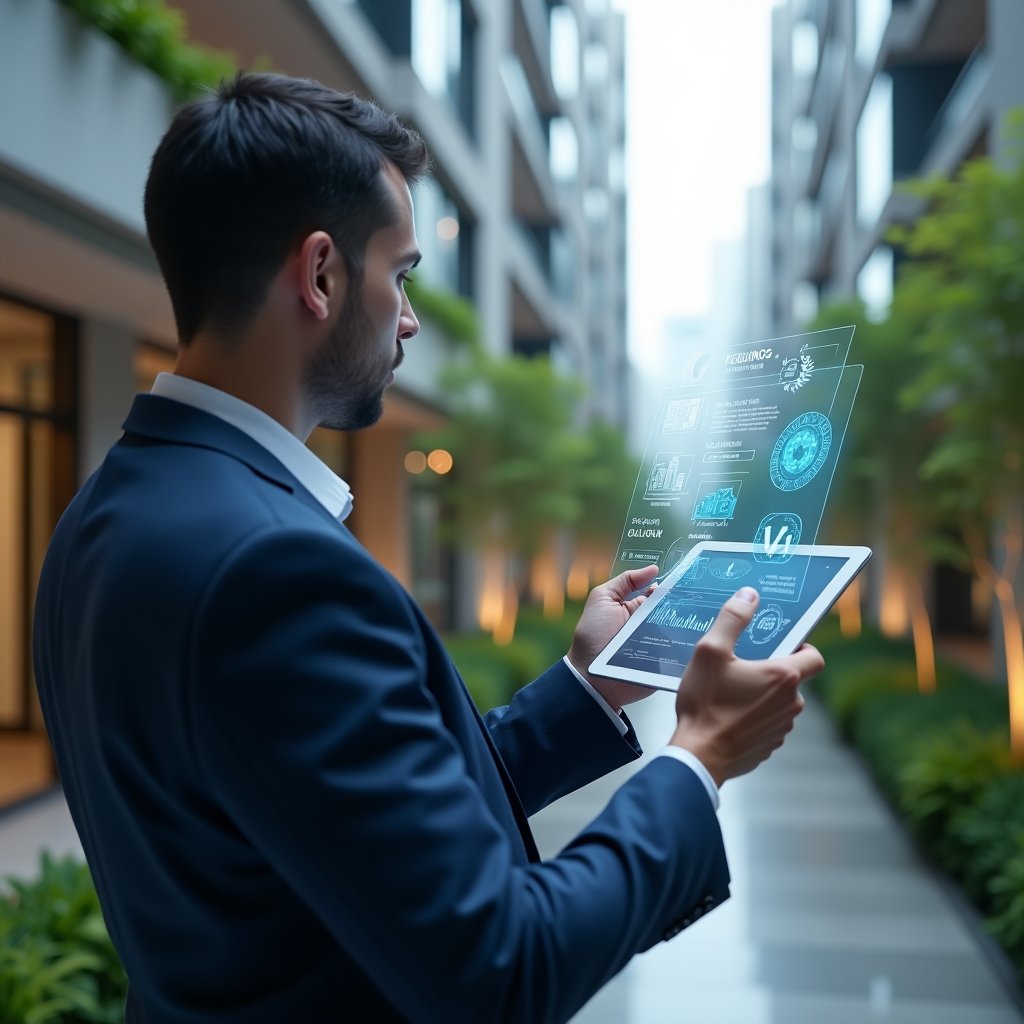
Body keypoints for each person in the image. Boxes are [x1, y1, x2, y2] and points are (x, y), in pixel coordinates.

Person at [33, 72, 823, 1023]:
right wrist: (697, 758)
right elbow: (499, 969)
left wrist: (587, 689)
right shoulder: (273, 569)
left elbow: (341, 825)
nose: (409, 318)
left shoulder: (101, 516)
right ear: (321, 274)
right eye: (400, 274)